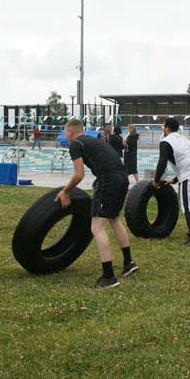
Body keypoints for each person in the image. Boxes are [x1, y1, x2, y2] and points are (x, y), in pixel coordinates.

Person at [55, 119, 137, 289]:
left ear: (70, 131)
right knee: (114, 218)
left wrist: (65, 190)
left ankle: (108, 277)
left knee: (97, 228)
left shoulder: (76, 144)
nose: (65, 136)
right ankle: (128, 262)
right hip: (122, 178)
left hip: (108, 181)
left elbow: (79, 175)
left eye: (65, 133)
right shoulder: (95, 140)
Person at [153, 117, 190, 247]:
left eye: (163, 127)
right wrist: (174, 180)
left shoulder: (165, 141)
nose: (163, 129)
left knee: (188, 205)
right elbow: (188, 159)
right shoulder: (185, 140)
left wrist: (156, 181)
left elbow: (162, 162)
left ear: (167, 128)